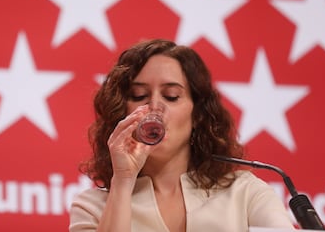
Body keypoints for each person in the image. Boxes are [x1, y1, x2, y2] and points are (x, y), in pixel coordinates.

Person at [69, 39, 295, 232]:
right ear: (121, 113)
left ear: (197, 114)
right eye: (139, 96)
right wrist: (123, 180)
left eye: (171, 96)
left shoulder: (246, 193)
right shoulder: (92, 207)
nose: (154, 106)